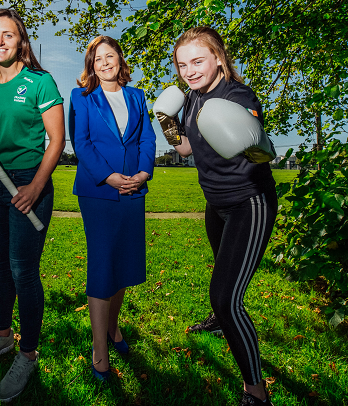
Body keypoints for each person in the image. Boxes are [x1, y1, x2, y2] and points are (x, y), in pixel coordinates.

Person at [154, 27, 277, 405]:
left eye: (197, 61)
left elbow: (259, 152)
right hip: (216, 204)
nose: (189, 70)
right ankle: (221, 322)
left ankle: (256, 393)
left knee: (226, 298)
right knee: (222, 276)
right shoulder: (191, 98)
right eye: (182, 64)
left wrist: (246, 135)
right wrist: (165, 119)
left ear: (219, 58)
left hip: (249, 203)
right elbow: (187, 149)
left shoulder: (237, 95)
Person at [0, 8, 65, 402]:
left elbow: (56, 140)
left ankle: (27, 353)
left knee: (24, 271)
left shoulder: (39, 82)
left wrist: (36, 187)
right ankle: (2, 336)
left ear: (21, 41)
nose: (0, 41)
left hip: (29, 182)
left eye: (8, 35)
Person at [68, 36, 155, 381]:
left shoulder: (136, 95)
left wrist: (143, 172)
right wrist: (109, 177)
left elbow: (147, 137)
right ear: (91, 65)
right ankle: (99, 347)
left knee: (125, 263)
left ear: (119, 59)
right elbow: (81, 142)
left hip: (135, 188)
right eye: (97, 58)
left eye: (109, 55)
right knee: (104, 264)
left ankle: (113, 328)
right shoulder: (81, 96)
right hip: (99, 191)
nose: (104, 62)